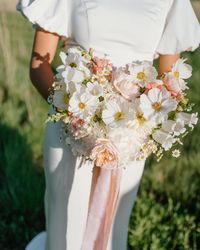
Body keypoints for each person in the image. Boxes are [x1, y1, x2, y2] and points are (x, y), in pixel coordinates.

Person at [16, 0, 200, 249]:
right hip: (70, 127)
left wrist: (137, 125)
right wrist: (81, 118)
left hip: (132, 135)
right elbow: (39, 67)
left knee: (113, 229)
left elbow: (170, 81)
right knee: (66, 227)